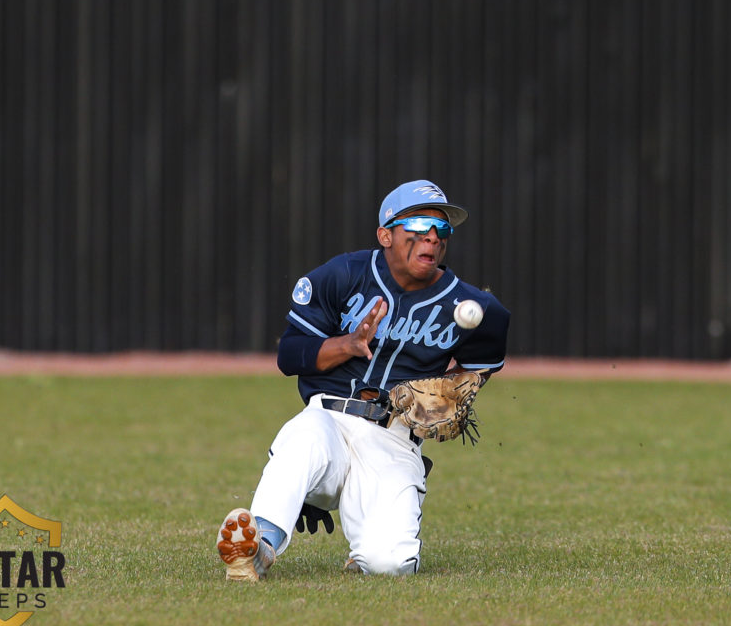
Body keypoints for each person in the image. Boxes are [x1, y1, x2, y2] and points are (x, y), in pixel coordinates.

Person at [216, 180, 511, 579]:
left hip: (393, 438)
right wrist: (349, 345)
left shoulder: (475, 307)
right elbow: (289, 354)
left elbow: (480, 367)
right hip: (329, 423)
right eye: (420, 224)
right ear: (385, 235)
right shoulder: (345, 275)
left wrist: (451, 390)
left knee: (389, 565)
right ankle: (258, 547)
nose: (432, 237)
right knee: (304, 437)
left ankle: (367, 547)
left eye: (442, 229)